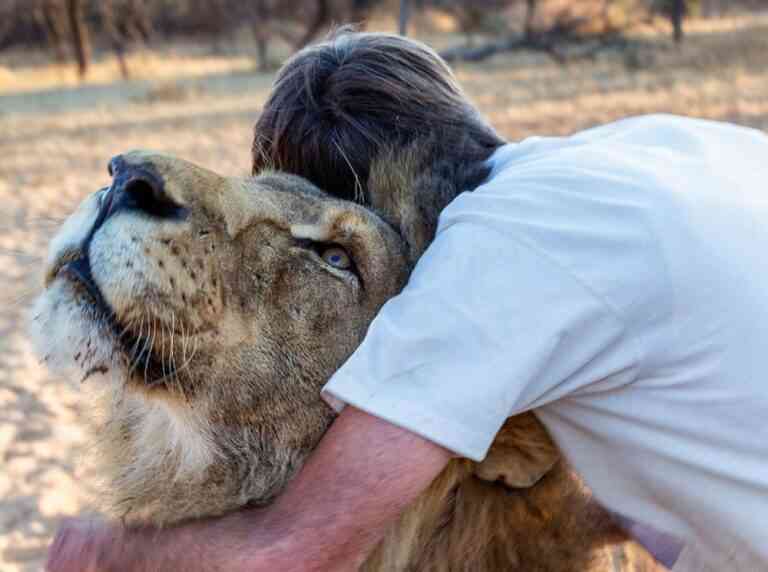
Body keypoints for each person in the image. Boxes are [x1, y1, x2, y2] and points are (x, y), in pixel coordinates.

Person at [46, 31, 768, 572]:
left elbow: (288, 547)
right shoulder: (641, 150)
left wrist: (109, 553)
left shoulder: (486, 264)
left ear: (413, 233)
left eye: (331, 253)